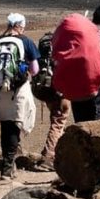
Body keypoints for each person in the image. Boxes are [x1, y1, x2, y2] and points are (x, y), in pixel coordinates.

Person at [0, 13, 39, 180]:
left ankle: (8, 165)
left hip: (0, 91)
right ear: (20, 26)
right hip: (19, 89)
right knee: (15, 127)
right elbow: (34, 69)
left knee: (5, 127)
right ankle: (7, 169)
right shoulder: (26, 41)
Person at [51, 13, 100, 122]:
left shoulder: (64, 39)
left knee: (80, 123)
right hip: (94, 91)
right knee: (95, 126)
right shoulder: (93, 34)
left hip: (75, 94)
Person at [35, 33, 71, 170]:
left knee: (56, 120)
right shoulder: (62, 53)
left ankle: (53, 153)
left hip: (46, 90)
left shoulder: (44, 54)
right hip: (60, 92)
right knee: (58, 122)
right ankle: (49, 157)